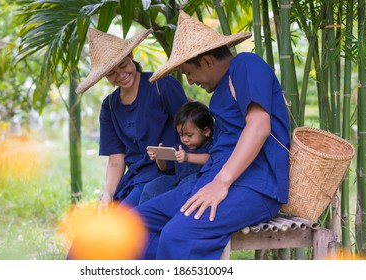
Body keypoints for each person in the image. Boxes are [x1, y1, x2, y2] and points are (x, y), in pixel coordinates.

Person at [135, 10, 290, 259]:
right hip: (209, 181)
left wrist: (221, 183)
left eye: (188, 72)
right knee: (134, 223)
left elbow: (259, 126)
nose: (190, 81)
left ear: (207, 61)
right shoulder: (218, 94)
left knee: (178, 235)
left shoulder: (246, 64)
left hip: (253, 186)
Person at [75, 28, 188, 210]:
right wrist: (107, 195)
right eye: (111, 73)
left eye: (123, 65)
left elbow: (193, 129)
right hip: (135, 179)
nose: (120, 74)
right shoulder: (109, 106)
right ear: (104, 76)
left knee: (123, 224)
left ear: (131, 55)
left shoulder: (162, 85)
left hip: (169, 173)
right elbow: (116, 159)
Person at [140, 101, 213, 204]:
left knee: (185, 184)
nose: (185, 139)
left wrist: (187, 157)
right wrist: (159, 157)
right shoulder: (180, 148)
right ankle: (145, 216)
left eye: (189, 135)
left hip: (195, 184)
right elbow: (164, 169)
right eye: (181, 135)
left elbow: (212, 159)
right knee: (152, 187)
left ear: (206, 131)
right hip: (176, 182)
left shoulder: (212, 145)